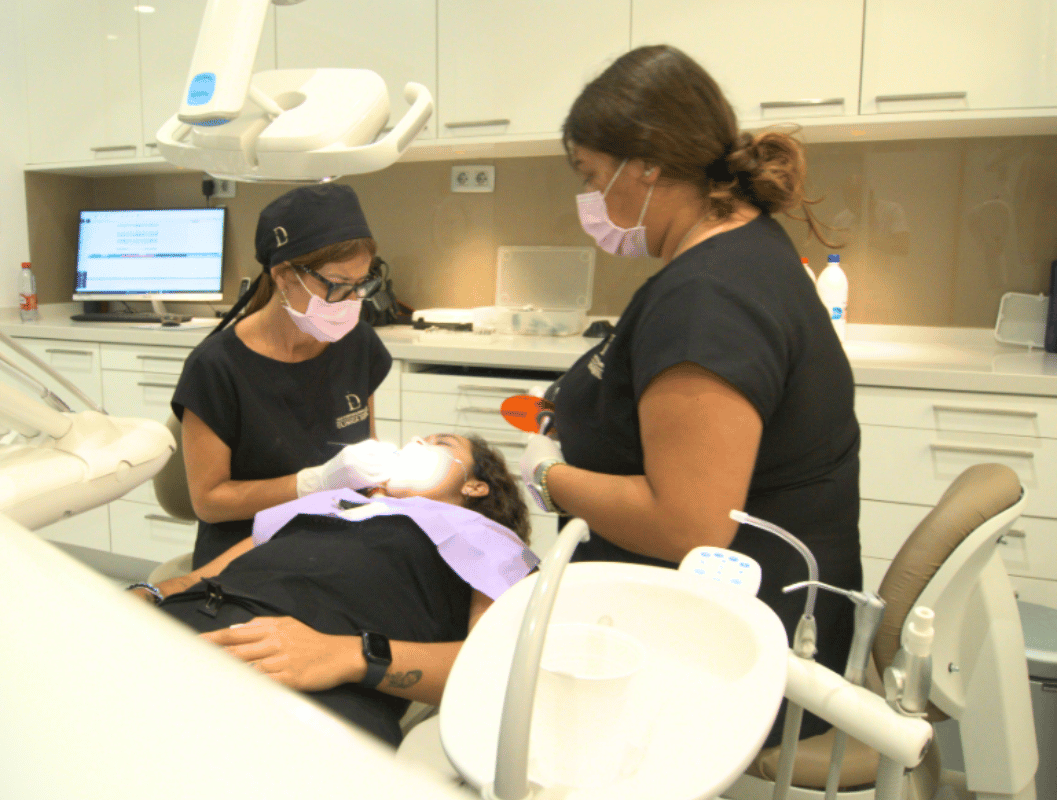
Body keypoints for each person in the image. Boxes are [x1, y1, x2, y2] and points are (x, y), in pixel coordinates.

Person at [520, 45, 861, 743]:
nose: (588, 200)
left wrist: (549, 477)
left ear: (644, 164)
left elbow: (688, 526)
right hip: (751, 613)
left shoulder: (710, 298)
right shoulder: (742, 249)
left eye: (590, 176)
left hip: (736, 650)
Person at [131, 433, 536, 746]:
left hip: (312, 680)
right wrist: (139, 595)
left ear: (476, 487)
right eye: (416, 439)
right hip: (183, 630)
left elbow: (495, 666)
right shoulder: (323, 505)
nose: (417, 443)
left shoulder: (487, 537)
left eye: (439, 444)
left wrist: (351, 656)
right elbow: (192, 579)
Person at [173, 184, 399, 568]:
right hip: (250, 552)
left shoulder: (356, 342)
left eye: (361, 284)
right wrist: (313, 484)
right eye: (336, 285)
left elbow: (366, 447)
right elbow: (209, 502)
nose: (352, 302)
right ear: (282, 276)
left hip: (338, 538)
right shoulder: (216, 368)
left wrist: (383, 486)